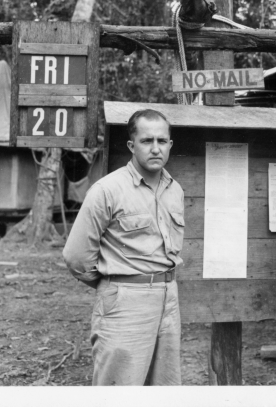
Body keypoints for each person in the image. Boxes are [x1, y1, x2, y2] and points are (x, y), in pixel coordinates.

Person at [63, 108, 185, 386]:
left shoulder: (174, 189)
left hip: (168, 299)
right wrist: (113, 284)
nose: (156, 148)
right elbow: (76, 257)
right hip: (125, 302)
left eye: (162, 141)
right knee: (120, 389)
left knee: (165, 388)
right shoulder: (107, 190)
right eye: (146, 141)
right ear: (131, 146)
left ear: (170, 145)